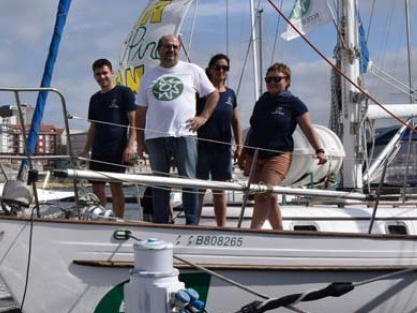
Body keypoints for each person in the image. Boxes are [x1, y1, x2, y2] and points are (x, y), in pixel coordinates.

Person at [136, 34, 219, 225]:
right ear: (159, 50)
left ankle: (191, 223)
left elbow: (213, 95)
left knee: (189, 181)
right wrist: (140, 141)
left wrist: (203, 117)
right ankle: (161, 223)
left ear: (179, 49)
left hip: (185, 135)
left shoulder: (192, 70)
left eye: (174, 46)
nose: (171, 50)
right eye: (166, 46)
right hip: (155, 137)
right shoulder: (148, 76)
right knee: (160, 183)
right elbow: (140, 111)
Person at [241, 62, 327, 230]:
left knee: (263, 194)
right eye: (269, 79)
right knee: (270, 196)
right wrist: (244, 153)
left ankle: (253, 232)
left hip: (278, 155)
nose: (272, 82)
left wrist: (319, 150)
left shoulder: (294, 104)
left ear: (287, 81)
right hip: (255, 154)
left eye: (277, 79)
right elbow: (253, 128)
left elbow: (307, 128)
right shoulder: (262, 101)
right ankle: (279, 231)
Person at [80, 58, 137, 219]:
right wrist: (86, 150)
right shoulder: (94, 99)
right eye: (98, 74)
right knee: (96, 189)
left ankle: (118, 220)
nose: (102, 77)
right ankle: (101, 218)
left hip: (117, 149)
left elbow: (134, 121)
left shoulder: (124, 93)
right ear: (94, 77)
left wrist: (130, 145)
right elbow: (93, 127)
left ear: (112, 73)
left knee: (115, 186)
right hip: (99, 149)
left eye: (105, 73)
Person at [195, 54, 243, 227]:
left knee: (219, 191)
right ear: (210, 70)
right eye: (218, 67)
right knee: (198, 190)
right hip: (201, 147)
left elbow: (236, 121)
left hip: (222, 149)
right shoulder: (200, 93)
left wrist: (240, 146)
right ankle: (193, 225)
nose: (221, 70)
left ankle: (221, 226)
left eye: (225, 68)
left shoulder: (230, 94)